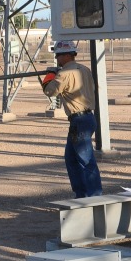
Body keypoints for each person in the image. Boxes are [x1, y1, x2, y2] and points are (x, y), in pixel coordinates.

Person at [41, 40, 103, 198]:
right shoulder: (84, 69)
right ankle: (81, 195)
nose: (57, 58)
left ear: (67, 55)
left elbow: (49, 91)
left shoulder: (64, 74)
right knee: (71, 159)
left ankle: (94, 197)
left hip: (79, 120)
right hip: (88, 118)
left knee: (86, 160)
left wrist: (50, 75)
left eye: (58, 55)